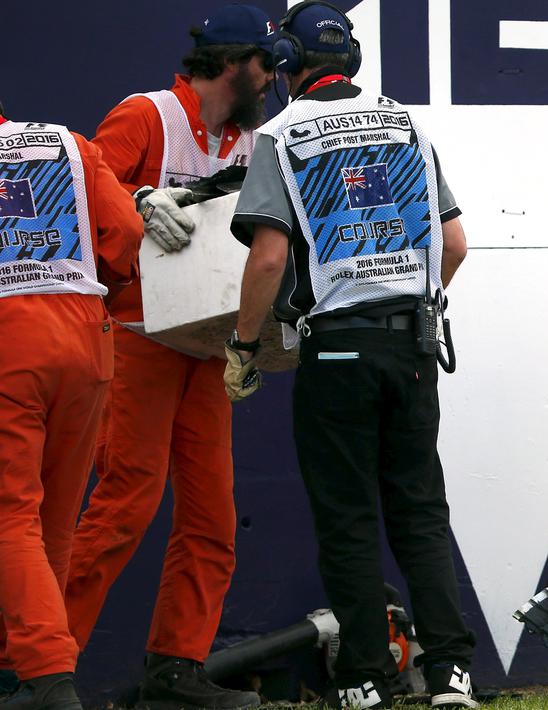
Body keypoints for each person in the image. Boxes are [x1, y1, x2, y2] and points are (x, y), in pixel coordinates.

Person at [224, 2, 477, 707]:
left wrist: (243, 345)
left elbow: (268, 258)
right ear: (351, 59)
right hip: (412, 345)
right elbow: (455, 245)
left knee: (348, 518)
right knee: (420, 512)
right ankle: (452, 674)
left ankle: (366, 677)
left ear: (285, 65)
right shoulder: (406, 124)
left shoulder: (282, 135)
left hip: (335, 349)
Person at [62, 5, 275, 708]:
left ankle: (177, 668)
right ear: (230, 61)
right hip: (136, 335)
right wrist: (140, 198)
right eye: (264, 63)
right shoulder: (147, 114)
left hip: (206, 344)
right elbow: (78, 197)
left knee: (213, 517)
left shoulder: (252, 140)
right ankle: (39, 665)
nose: (272, 76)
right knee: (126, 503)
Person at [0, 105, 144, 709]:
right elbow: (127, 230)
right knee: (55, 518)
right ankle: (20, 674)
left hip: (11, 338)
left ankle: (45, 674)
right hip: (86, 332)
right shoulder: (67, 142)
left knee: (9, 515)